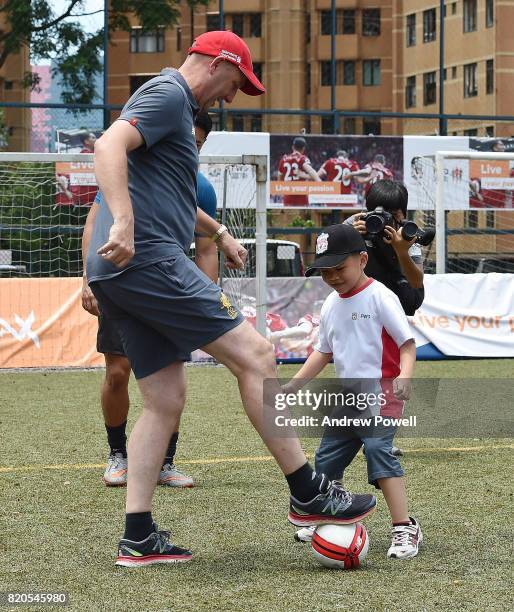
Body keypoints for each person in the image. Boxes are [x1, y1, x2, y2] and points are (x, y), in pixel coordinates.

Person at [85, 30, 376, 567]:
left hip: (120, 273)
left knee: (165, 400)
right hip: (149, 258)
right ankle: (309, 492)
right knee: (258, 356)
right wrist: (124, 220)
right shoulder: (170, 93)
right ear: (220, 62)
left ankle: (138, 534)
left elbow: (165, 189)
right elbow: (106, 147)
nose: (234, 96)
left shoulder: (169, 107)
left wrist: (217, 231)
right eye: (238, 82)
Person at [81, 113, 218, 488]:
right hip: (120, 283)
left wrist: (202, 303)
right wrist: (88, 279)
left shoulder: (201, 189)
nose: (191, 148)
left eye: (198, 144)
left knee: (172, 381)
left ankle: (165, 462)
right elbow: (94, 225)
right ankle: (117, 455)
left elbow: (206, 251)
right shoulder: (131, 173)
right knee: (117, 372)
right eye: (187, 139)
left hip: (169, 291)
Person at [288, 224, 422, 559]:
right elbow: (323, 352)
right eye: (325, 271)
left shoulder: (380, 296)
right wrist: (292, 385)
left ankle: (404, 528)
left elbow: (407, 344)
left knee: (379, 452)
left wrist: (405, 376)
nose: (332, 277)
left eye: (339, 268)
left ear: (362, 260)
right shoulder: (331, 304)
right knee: (327, 457)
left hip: (383, 393)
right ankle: (332, 511)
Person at [345, 180, 425, 317]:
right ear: (367, 211)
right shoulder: (355, 224)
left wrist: (402, 251)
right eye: (379, 214)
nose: (386, 220)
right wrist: (349, 237)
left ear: (404, 215)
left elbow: (416, 282)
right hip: (363, 306)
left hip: (401, 305)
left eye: (393, 215)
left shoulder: (407, 233)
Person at [277, 136, 321, 206]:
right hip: (301, 195)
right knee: (303, 217)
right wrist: (318, 181)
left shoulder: (284, 159)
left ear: (293, 147)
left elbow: (279, 178)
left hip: (288, 195)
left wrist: (282, 192)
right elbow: (312, 172)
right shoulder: (302, 158)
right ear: (303, 148)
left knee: (289, 216)